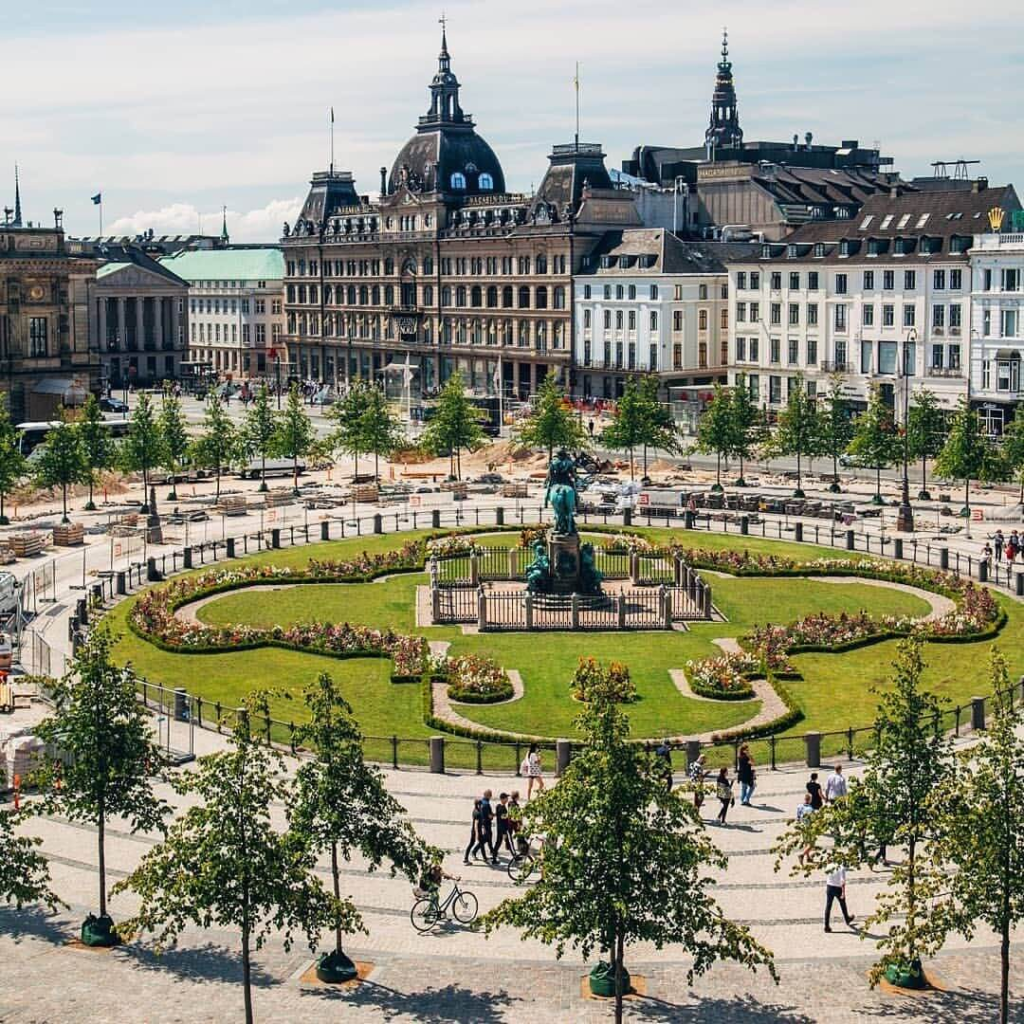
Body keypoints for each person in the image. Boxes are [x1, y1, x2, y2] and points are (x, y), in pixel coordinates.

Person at [823, 863, 856, 932]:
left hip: (829, 887)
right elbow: (843, 881)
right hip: (838, 888)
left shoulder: (829, 865)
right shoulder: (841, 868)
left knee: (828, 907)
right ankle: (847, 919)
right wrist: (843, 892)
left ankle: (826, 926)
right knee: (843, 904)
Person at [472, 789, 496, 862]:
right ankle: (475, 851)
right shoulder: (486, 804)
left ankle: (492, 851)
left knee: (488, 838)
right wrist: (495, 815)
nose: (491, 796)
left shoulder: (481, 802)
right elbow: (489, 816)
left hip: (483, 824)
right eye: (490, 795)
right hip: (486, 824)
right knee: (486, 839)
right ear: (487, 795)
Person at [493, 792, 515, 861]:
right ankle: (515, 856)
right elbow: (502, 817)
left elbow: (497, 815)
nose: (507, 799)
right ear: (503, 799)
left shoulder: (498, 806)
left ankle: (494, 855)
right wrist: (509, 815)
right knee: (509, 842)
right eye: (506, 798)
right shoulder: (502, 808)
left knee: (499, 842)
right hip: (504, 829)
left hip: (500, 828)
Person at [796, 792, 815, 865]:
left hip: (802, 826)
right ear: (810, 800)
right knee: (812, 844)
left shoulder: (799, 806)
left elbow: (798, 817)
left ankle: (808, 858)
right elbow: (813, 819)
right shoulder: (811, 809)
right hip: (809, 827)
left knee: (806, 842)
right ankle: (802, 855)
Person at [462, 798, 481, 865]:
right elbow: (476, 824)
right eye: (480, 804)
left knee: (472, 843)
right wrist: (477, 834)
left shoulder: (475, 810)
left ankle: (468, 857)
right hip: (475, 831)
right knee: (472, 843)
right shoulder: (477, 813)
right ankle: (466, 858)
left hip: (474, 830)